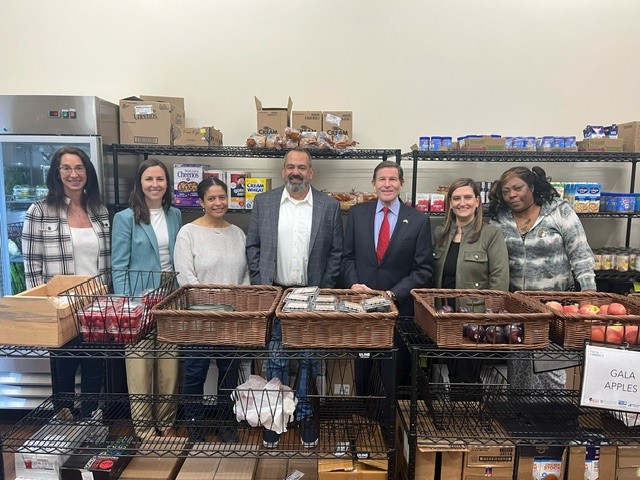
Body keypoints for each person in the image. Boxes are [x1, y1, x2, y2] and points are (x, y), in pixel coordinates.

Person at [246, 147, 343, 448]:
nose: (295, 172)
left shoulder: (329, 207)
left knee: (308, 361)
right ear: (283, 170)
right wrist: (263, 285)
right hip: (276, 293)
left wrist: (323, 288)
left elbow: (336, 253)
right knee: (275, 360)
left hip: (310, 295)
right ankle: (275, 417)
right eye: (290, 167)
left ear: (311, 172)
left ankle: (304, 415)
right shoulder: (265, 202)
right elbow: (253, 247)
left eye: (301, 167)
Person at [488, 165, 597, 389]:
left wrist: (589, 294)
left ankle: (555, 417)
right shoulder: (500, 218)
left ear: (533, 186)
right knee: (519, 366)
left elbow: (581, 253)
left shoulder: (559, 211)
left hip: (555, 306)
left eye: (517, 188)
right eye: (506, 191)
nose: (512, 195)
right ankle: (521, 416)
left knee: (550, 368)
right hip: (517, 306)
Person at [22, 146, 110, 418]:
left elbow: (107, 262)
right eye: (67, 168)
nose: (74, 174)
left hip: (95, 305)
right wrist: (43, 308)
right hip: (59, 306)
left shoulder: (99, 210)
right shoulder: (39, 210)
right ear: (57, 174)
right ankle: (64, 420)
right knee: (63, 368)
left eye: (79, 168)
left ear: (88, 172)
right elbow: (31, 264)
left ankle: (89, 420)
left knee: (95, 367)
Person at [341, 160, 433, 400]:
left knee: (393, 373)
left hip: (398, 309)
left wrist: (392, 293)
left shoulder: (418, 220)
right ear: (373, 183)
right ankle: (364, 421)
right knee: (363, 373)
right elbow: (347, 257)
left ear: (401, 184)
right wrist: (353, 285)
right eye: (382, 179)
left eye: (393, 179)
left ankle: (390, 428)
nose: (387, 184)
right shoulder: (357, 214)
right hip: (361, 307)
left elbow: (422, 269)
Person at [174, 177, 249, 443]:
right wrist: (211, 306)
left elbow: (245, 277)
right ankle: (195, 425)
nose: (218, 203)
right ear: (202, 202)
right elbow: (186, 277)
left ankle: (226, 423)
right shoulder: (188, 233)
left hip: (231, 318)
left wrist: (238, 306)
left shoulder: (237, 233)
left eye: (222, 197)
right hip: (199, 317)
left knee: (229, 374)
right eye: (211, 198)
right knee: (195, 373)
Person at [111, 159, 182, 438]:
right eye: (149, 179)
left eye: (160, 179)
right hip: (138, 299)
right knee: (140, 366)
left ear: (167, 184)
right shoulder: (125, 218)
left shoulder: (174, 214)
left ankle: (166, 424)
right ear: (139, 184)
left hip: (170, 297)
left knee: (169, 364)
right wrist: (128, 305)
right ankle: (144, 430)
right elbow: (119, 265)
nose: (155, 185)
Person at [433, 178, 509, 383]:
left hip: (474, 318)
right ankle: (453, 414)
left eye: (467, 197)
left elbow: (499, 279)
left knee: (469, 374)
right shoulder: (440, 233)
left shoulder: (491, 234)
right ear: (450, 203)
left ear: (477, 201)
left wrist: (491, 319)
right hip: (444, 316)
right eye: (456, 198)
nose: (462, 203)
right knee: (450, 370)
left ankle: (470, 413)